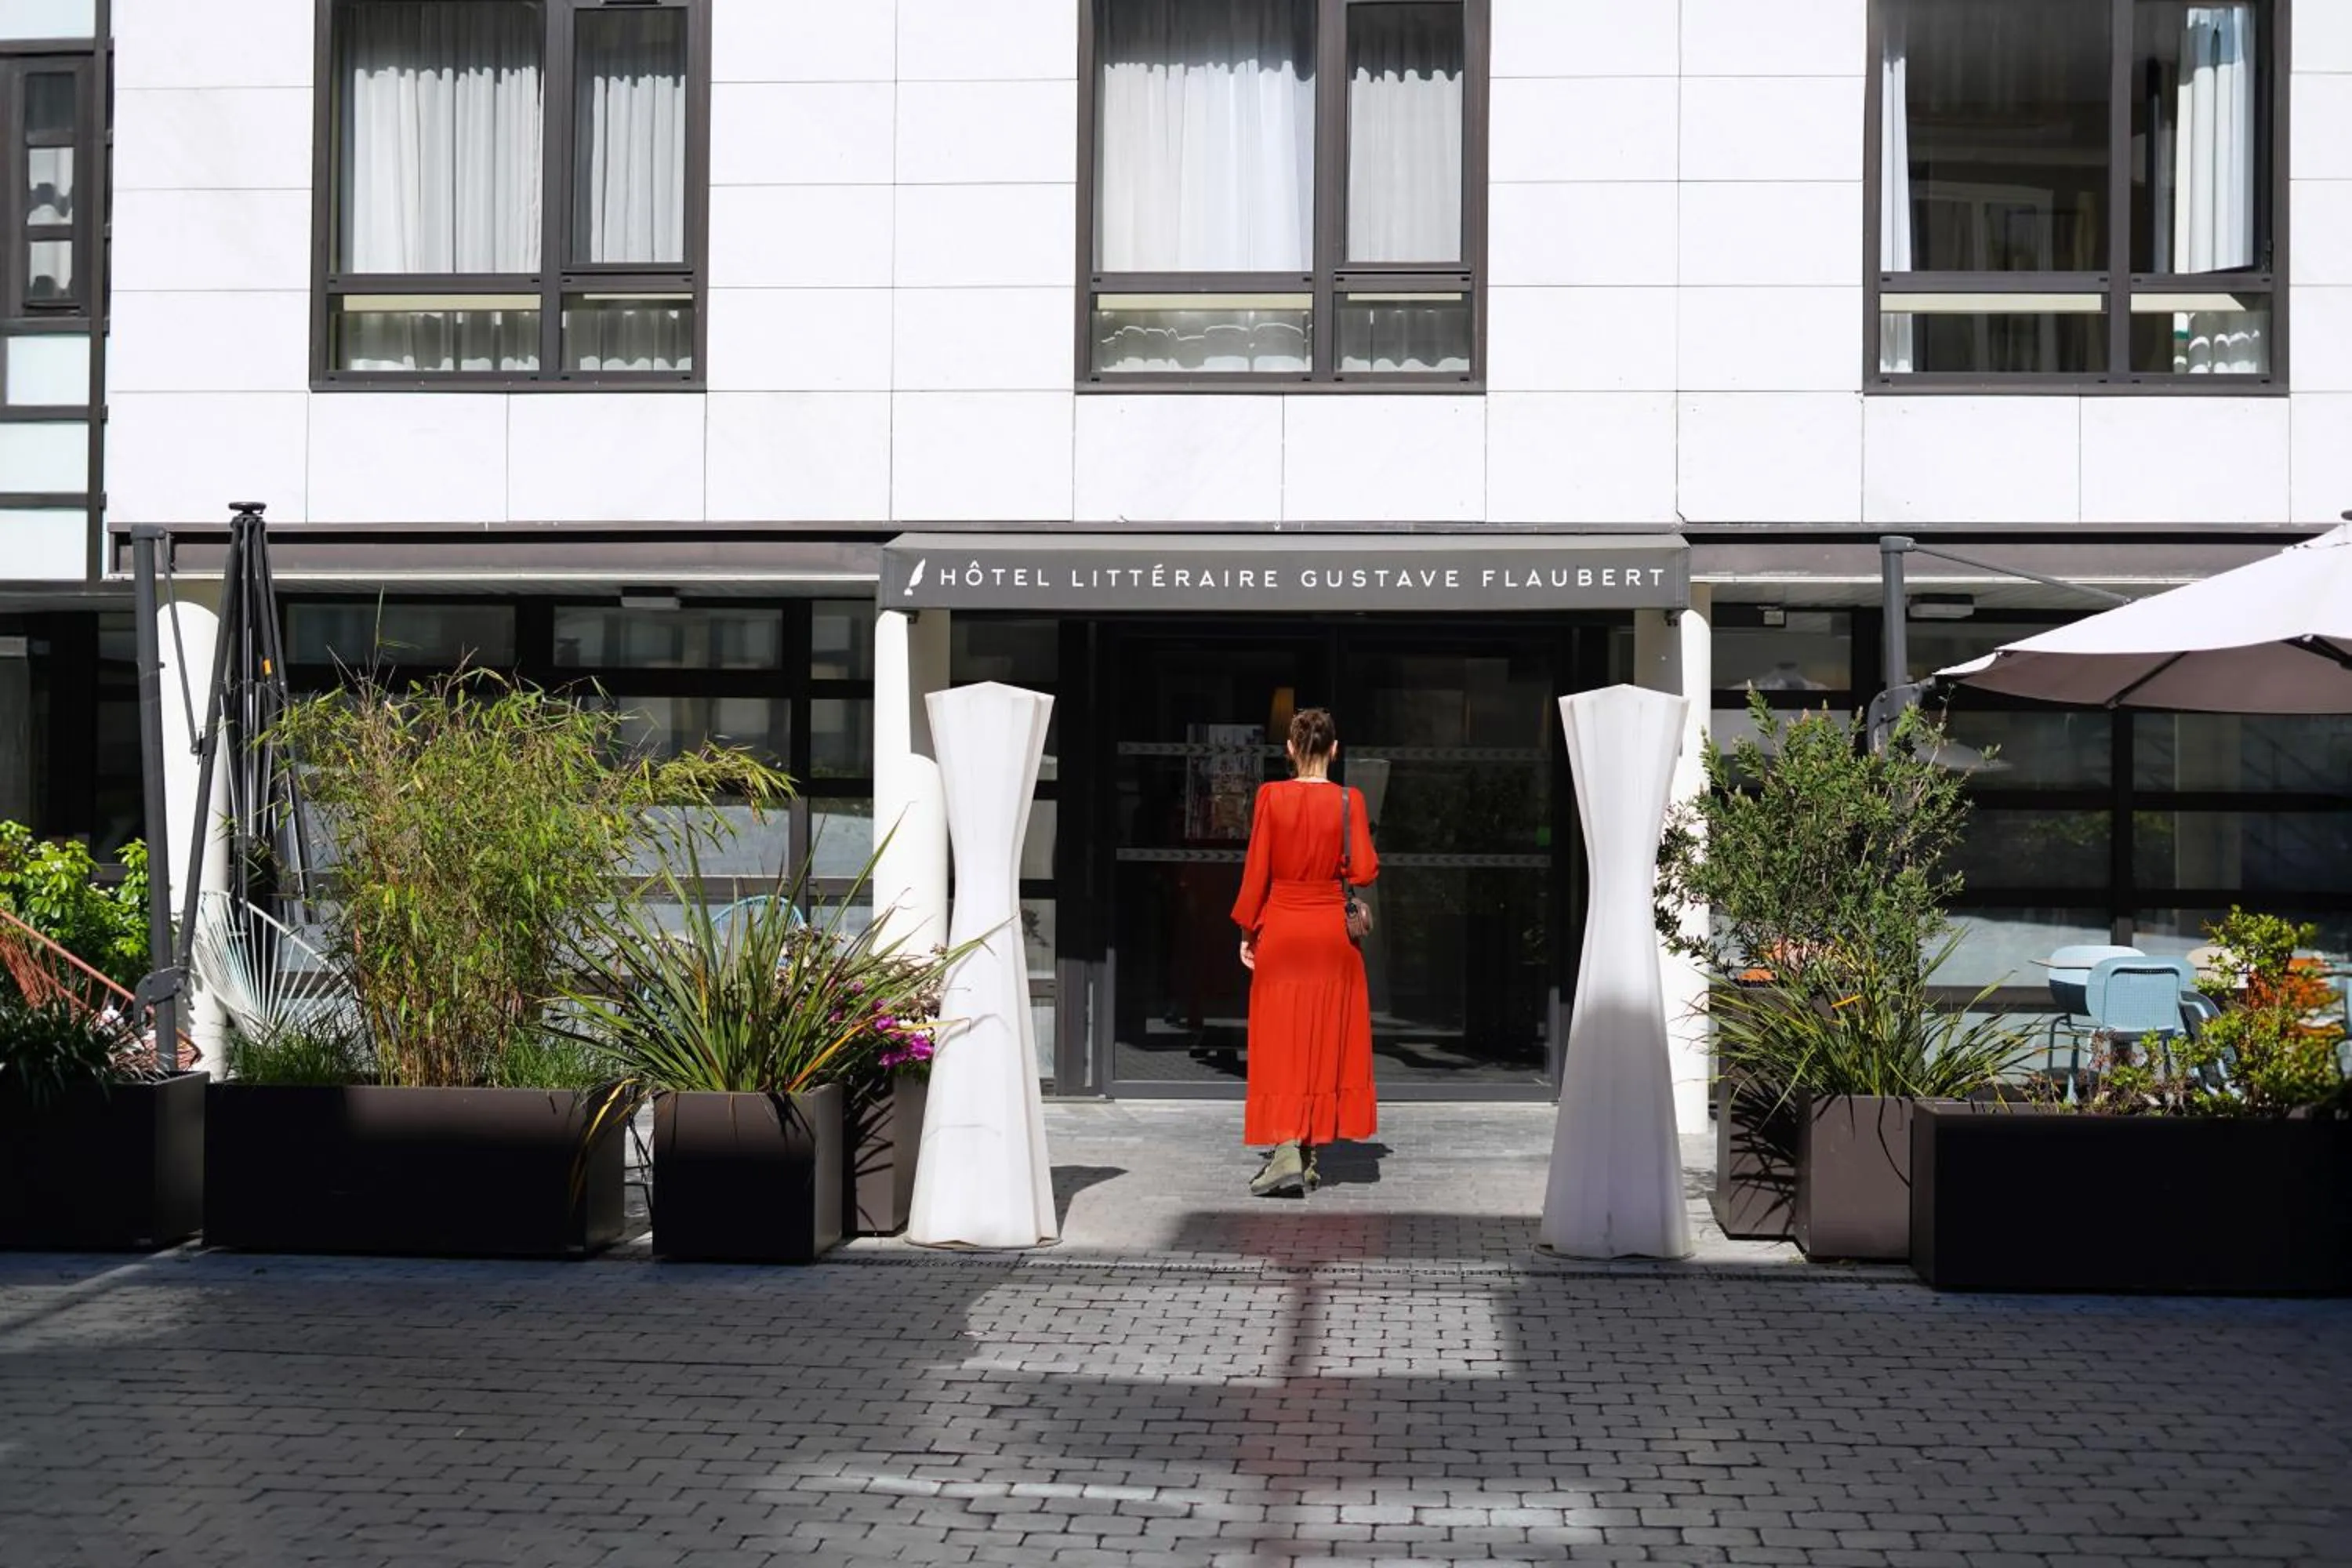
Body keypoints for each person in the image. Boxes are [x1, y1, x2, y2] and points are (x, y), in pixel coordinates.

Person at [1229, 707, 1378, 1197]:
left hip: (1283, 929)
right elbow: (1364, 871)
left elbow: (1257, 869)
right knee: (1324, 1039)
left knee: (1281, 1041)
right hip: (1331, 935)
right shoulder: (1349, 801)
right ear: (1334, 750)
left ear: (1291, 749)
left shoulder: (1271, 797)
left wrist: (1248, 929)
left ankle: (1287, 1147)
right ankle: (1309, 1151)